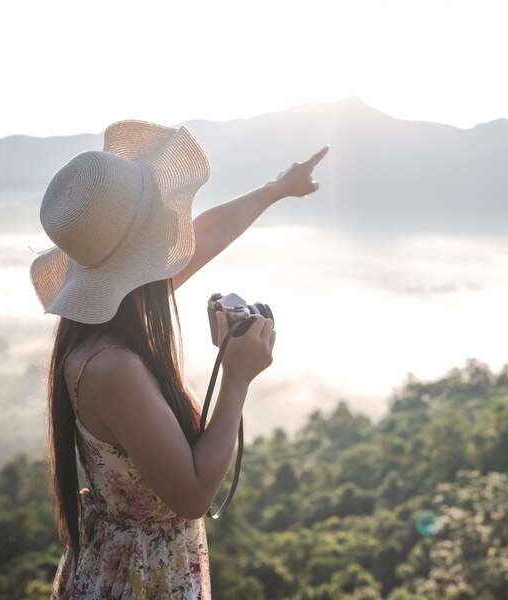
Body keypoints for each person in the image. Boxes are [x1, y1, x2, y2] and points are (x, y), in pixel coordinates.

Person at [29, 120, 328, 598]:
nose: (177, 237)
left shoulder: (103, 320)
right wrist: (236, 378)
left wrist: (278, 188)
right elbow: (191, 496)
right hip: (144, 579)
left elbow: (206, 235)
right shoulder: (114, 368)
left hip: (121, 563)